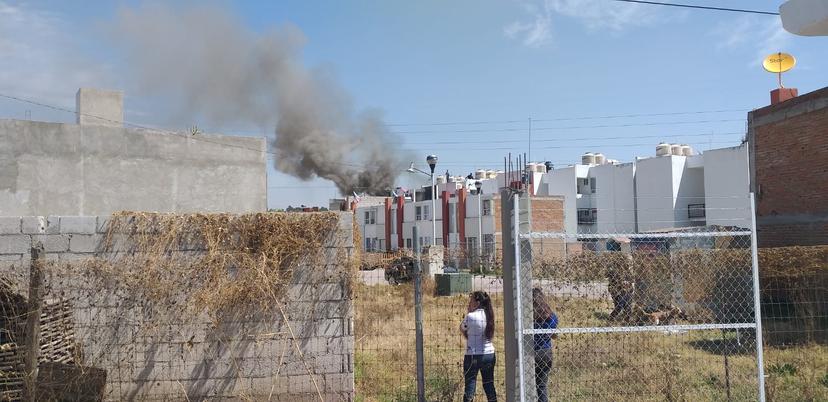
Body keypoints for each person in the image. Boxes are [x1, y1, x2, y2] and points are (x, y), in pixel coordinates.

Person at [459, 291, 497, 402]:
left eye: (471, 301)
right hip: (489, 354)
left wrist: (469, 312)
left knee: (470, 387)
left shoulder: (470, 317)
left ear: (477, 302)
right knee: (489, 385)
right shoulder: (489, 315)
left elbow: (462, 328)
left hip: (473, 355)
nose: (469, 304)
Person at [533, 288, 558, 402]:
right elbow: (554, 335)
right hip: (546, 353)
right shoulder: (552, 317)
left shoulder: (529, 317)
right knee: (541, 386)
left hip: (532, 352)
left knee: (529, 384)